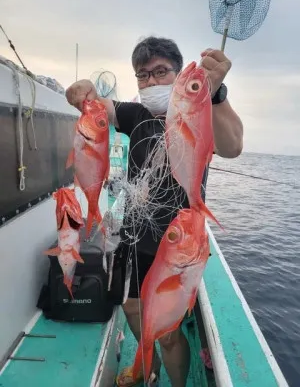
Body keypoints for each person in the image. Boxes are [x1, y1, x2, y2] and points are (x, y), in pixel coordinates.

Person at [66, 36, 243, 387]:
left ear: (179, 75)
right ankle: (149, 369)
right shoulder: (137, 114)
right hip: (135, 236)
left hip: (179, 244)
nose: (150, 82)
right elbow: (103, 107)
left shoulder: (200, 109)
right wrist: (83, 91)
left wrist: (216, 93)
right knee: (133, 309)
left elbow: (233, 146)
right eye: (142, 75)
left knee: (169, 332)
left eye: (160, 72)